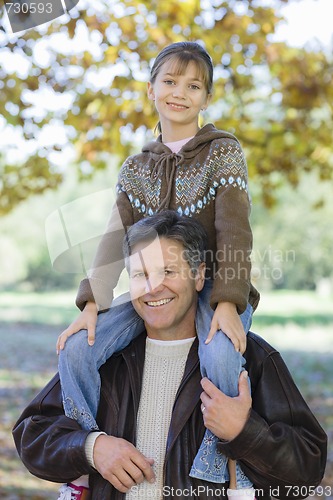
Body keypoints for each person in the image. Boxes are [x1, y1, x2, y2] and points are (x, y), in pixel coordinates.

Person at [56, 41, 260, 497]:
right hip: (151, 293)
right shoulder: (136, 168)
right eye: (170, 81)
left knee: (223, 355)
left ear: (206, 97)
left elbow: (234, 230)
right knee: (75, 350)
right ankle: (83, 458)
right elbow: (113, 238)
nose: (180, 93)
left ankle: (228, 463)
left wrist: (228, 302)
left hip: (211, 289)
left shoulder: (222, 153)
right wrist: (91, 303)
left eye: (193, 86)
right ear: (152, 89)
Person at [13, 212, 327, 500]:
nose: (153, 288)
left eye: (169, 271)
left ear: (199, 275)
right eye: (140, 275)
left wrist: (244, 432)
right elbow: (32, 436)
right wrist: (91, 447)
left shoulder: (248, 357)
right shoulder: (103, 357)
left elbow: (306, 469)